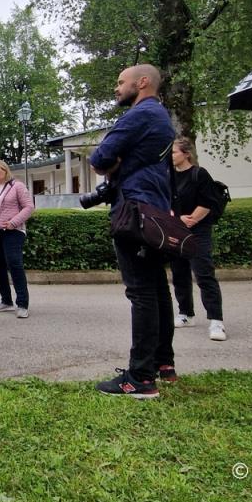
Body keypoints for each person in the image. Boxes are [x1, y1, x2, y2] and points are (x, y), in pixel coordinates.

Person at [90, 64, 176, 399]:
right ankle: (163, 363)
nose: (116, 88)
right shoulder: (161, 116)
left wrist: (114, 164)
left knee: (141, 292)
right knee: (156, 288)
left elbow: (99, 158)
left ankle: (140, 378)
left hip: (134, 211)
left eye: (120, 82)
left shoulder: (139, 115)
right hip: (154, 209)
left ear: (142, 83)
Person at [168, 137, 227, 341]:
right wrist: (177, 219)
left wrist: (191, 220)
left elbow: (208, 202)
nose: (170, 156)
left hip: (198, 231)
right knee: (179, 274)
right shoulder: (169, 176)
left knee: (204, 274)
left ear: (186, 154)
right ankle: (185, 314)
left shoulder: (199, 174)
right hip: (176, 230)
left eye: (174, 152)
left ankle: (216, 321)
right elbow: (165, 203)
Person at [0, 159, 34, 318]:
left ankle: (22, 304)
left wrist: (14, 222)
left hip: (12, 231)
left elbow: (29, 207)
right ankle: (6, 301)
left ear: (5, 170)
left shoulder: (17, 186)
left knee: (14, 264)